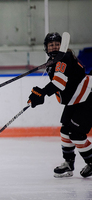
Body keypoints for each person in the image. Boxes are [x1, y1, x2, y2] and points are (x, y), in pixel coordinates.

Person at [28, 32, 92, 178]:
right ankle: (68, 163)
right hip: (76, 99)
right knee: (65, 130)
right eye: (51, 45)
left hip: (87, 97)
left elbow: (59, 83)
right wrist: (40, 94)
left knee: (76, 134)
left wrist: (42, 93)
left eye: (57, 43)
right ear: (46, 48)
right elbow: (59, 84)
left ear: (62, 45)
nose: (55, 46)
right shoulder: (54, 63)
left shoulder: (64, 57)